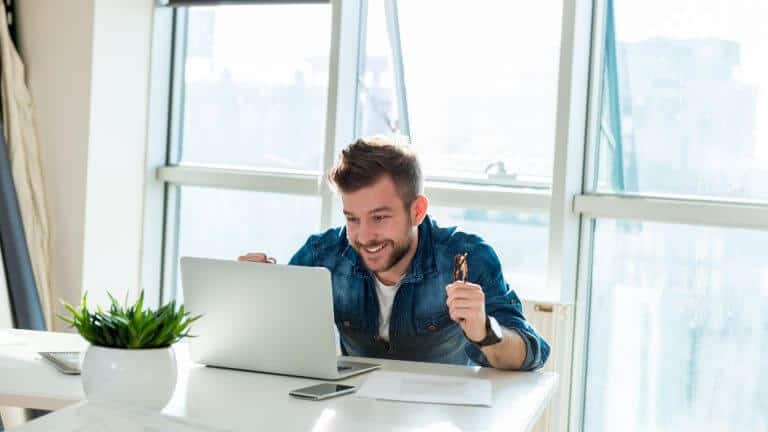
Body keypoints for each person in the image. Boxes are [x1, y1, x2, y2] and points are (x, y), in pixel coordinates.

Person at [239, 136, 549, 370]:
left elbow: (531, 354)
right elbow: (273, 341)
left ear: (417, 211)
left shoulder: (465, 257)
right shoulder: (324, 255)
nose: (363, 236)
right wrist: (259, 292)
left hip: (440, 420)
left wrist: (484, 331)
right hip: (353, 416)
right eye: (352, 218)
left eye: (379, 217)